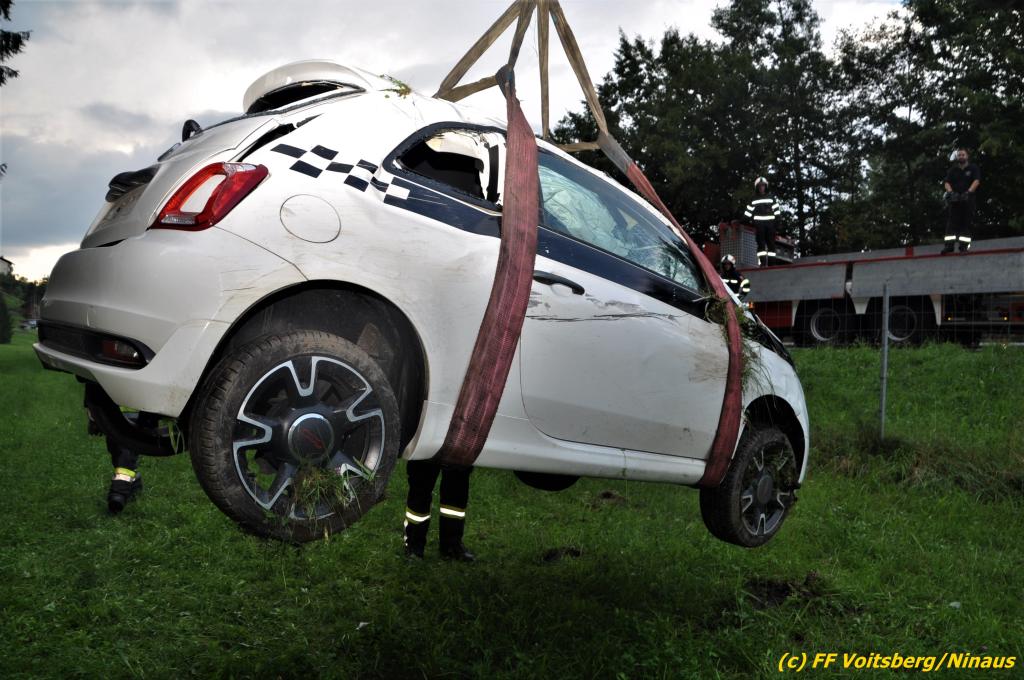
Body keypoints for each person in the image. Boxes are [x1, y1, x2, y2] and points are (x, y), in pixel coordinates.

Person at [403, 460, 475, 561]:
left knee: (457, 487)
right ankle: (413, 545)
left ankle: (452, 545)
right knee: (421, 484)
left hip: (459, 452)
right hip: (426, 451)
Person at [943, 148, 981, 253]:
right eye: (959, 155)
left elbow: (976, 181)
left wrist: (968, 192)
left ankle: (963, 246)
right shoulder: (953, 170)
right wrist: (951, 193)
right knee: (951, 223)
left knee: (966, 222)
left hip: (968, 199)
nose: (961, 156)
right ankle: (949, 246)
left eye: (963, 155)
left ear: (967, 156)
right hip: (955, 200)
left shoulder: (973, 168)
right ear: (957, 157)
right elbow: (947, 182)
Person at [744, 177, 781, 266]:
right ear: (757, 187)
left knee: (771, 244)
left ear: (766, 186)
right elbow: (748, 213)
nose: (761, 187)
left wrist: (778, 223)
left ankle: (772, 264)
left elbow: (777, 212)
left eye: (763, 186)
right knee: (761, 244)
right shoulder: (753, 199)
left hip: (770, 225)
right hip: (759, 226)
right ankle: (763, 264)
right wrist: (742, 221)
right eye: (760, 186)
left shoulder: (771, 198)